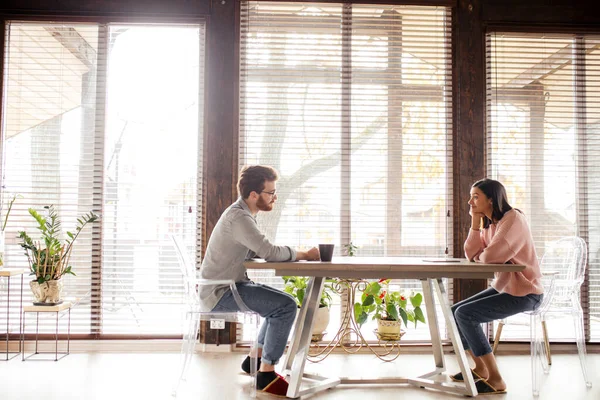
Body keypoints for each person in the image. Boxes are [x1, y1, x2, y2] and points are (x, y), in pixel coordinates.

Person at [199, 165, 320, 396]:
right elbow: (270, 252)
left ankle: (254, 358)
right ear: (254, 195)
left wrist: (268, 250)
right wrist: (305, 254)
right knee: (285, 307)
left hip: (229, 285)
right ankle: (266, 374)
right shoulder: (239, 217)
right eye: (271, 192)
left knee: (284, 302)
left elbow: (256, 250)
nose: (275, 197)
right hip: (221, 292)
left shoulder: (241, 214)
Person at [450, 178, 544, 395]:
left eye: (476, 197)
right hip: (506, 287)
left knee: (465, 314)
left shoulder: (513, 220)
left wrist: (484, 255)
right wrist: (474, 222)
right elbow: (471, 253)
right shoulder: (491, 223)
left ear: (491, 199)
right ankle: (480, 369)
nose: (469, 201)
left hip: (526, 292)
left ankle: (497, 379)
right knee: (454, 311)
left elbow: (490, 256)